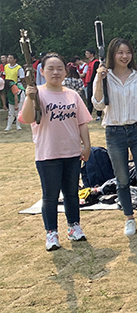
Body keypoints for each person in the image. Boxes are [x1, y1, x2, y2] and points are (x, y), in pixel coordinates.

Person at [19, 53, 93, 251]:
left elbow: (82, 122)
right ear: (42, 72)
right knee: (50, 196)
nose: (55, 72)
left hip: (71, 152)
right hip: (48, 153)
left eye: (59, 68)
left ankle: (74, 226)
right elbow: (27, 119)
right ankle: (51, 233)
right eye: (50, 68)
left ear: (65, 71)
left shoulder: (72, 95)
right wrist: (29, 97)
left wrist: (86, 145)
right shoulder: (37, 94)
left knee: (71, 193)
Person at [92, 38, 137, 237]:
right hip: (114, 132)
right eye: (120, 52)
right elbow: (98, 105)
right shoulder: (104, 76)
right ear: (112, 54)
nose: (124, 56)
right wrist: (99, 79)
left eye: (128, 52)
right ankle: (129, 218)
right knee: (122, 179)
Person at [4, 53, 24, 131]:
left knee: (18, 108)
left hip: (17, 87)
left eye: (11, 58)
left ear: (15, 59)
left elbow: (22, 78)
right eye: (8, 58)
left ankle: (18, 125)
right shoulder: (6, 67)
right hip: (9, 87)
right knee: (11, 109)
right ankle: (9, 125)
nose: (8, 59)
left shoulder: (19, 68)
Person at [84, 49, 101, 121]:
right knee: (89, 99)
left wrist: (94, 82)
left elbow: (95, 73)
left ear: (92, 54)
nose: (86, 54)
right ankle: (89, 115)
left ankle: (98, 115)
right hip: (88, 82)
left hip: (94, 83)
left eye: (87, 53)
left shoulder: (96, 62)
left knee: (96, 98)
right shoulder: (89, 62)